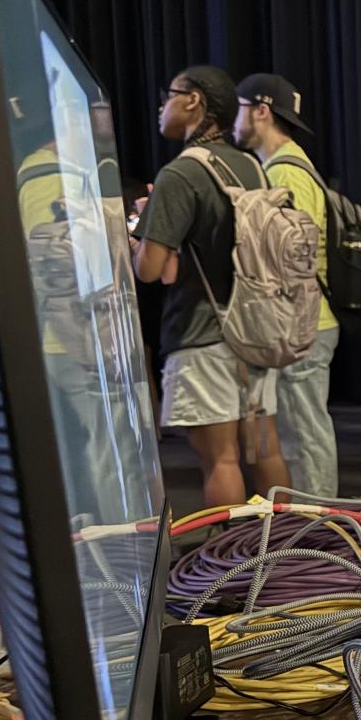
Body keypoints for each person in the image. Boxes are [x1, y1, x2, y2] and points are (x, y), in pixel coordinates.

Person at [132, 65, 290, 508]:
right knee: (266, 451)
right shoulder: (252, 167)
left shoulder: (181, 173)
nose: (162, 107)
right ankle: (285, 544)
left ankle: (230, 551)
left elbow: (150, 270)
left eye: (169, 95)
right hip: (256, 329)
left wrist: (138, 235)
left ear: (193, 100)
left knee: (221, 461)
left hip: (202, 334)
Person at [233, 73, 339, 498]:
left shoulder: (284, 173)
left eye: (240, 109)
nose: (234, 120)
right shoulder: (294, 165)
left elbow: (289, 259)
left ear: (261, 111)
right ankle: (321, 521)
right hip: (308, 322)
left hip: (300, 326)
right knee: (303, 432)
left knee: (305, 435)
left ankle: (323, 526)